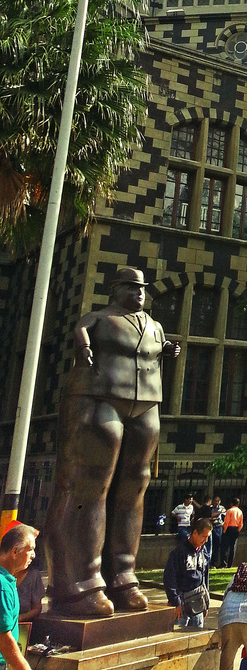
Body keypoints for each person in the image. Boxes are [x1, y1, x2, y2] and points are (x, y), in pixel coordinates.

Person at [43, 266, 180, 617]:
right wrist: (84, 349)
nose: (140, 294)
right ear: (115, 288)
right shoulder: (97, 319)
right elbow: (81, 337)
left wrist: (168, 348)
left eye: (143, 289)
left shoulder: (154, 325)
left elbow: (155, 351)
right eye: (132, 288)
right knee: (91, 483)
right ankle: (81, 580)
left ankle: (123, 573)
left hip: (146, 403)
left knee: (135, 485)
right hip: (101, 397)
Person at [0, 523, 38, 670]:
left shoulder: (6, 581)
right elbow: (3, 638)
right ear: (15, 552)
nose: (33, 555)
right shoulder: (2, 585)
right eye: (30, 549)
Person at [163, 520, 212, 630]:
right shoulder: (179, 552)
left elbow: (205, 576)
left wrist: (206, 602)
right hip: (181, 606)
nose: (206, 540)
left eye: (208, 537)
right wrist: (176, 602)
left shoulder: (203, 551)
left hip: (198, 605)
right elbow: (169, 579)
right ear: (195, 533)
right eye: (204, 536)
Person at [15, 558, 45, 624]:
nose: (33, 555)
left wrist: (19, 619)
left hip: (22, 627)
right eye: (29, 550)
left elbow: (37, 608)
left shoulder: (33, 575)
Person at [221, 499, 244, 568]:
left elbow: (226, 522)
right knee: (233, 547)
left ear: (231, 504)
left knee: (225, 547)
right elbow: (241, 523)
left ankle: (224, 563)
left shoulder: (229, 511)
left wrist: (224, 530)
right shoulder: (240, 512)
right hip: (236, 529)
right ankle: (230, 564)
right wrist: (238, 530)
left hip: (229, 529)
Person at [210, 497, 226, 569]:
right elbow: (210, 515)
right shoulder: (210, 508)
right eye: (215, 501)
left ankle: (214, 563)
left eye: (218, 501)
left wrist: (224, 523)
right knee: (211, 545)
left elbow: (226, 516)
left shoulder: (222, 508)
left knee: (217, 545)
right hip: (211, 526)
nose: (217, 502)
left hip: (219, 527)